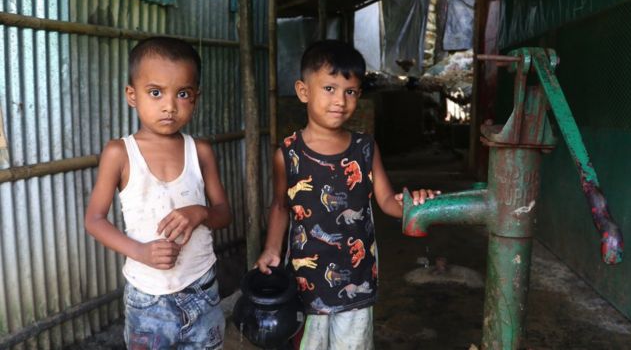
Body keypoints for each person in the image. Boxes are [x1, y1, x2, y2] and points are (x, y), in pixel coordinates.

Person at [255, 39, 439, 349]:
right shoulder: (287, 153)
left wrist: (415, 202)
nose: (340, 100)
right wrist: (272, 249)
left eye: (350, 91)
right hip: (305, 282)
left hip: (358, 277)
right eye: (329, 88)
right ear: (303, 91)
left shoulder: (365, 148)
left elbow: (386, 202)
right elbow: (280, 205)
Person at [84, 36, 232, 349]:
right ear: (132, 95)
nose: (169, 105)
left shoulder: (200, 151)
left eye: (182, 94)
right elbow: (94, 220)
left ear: (195, 97)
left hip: (202, 289)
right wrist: (140, 252)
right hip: (147, 299)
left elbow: (223, 214)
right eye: (155, 92)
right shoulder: (119, 153)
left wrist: (200, 212)